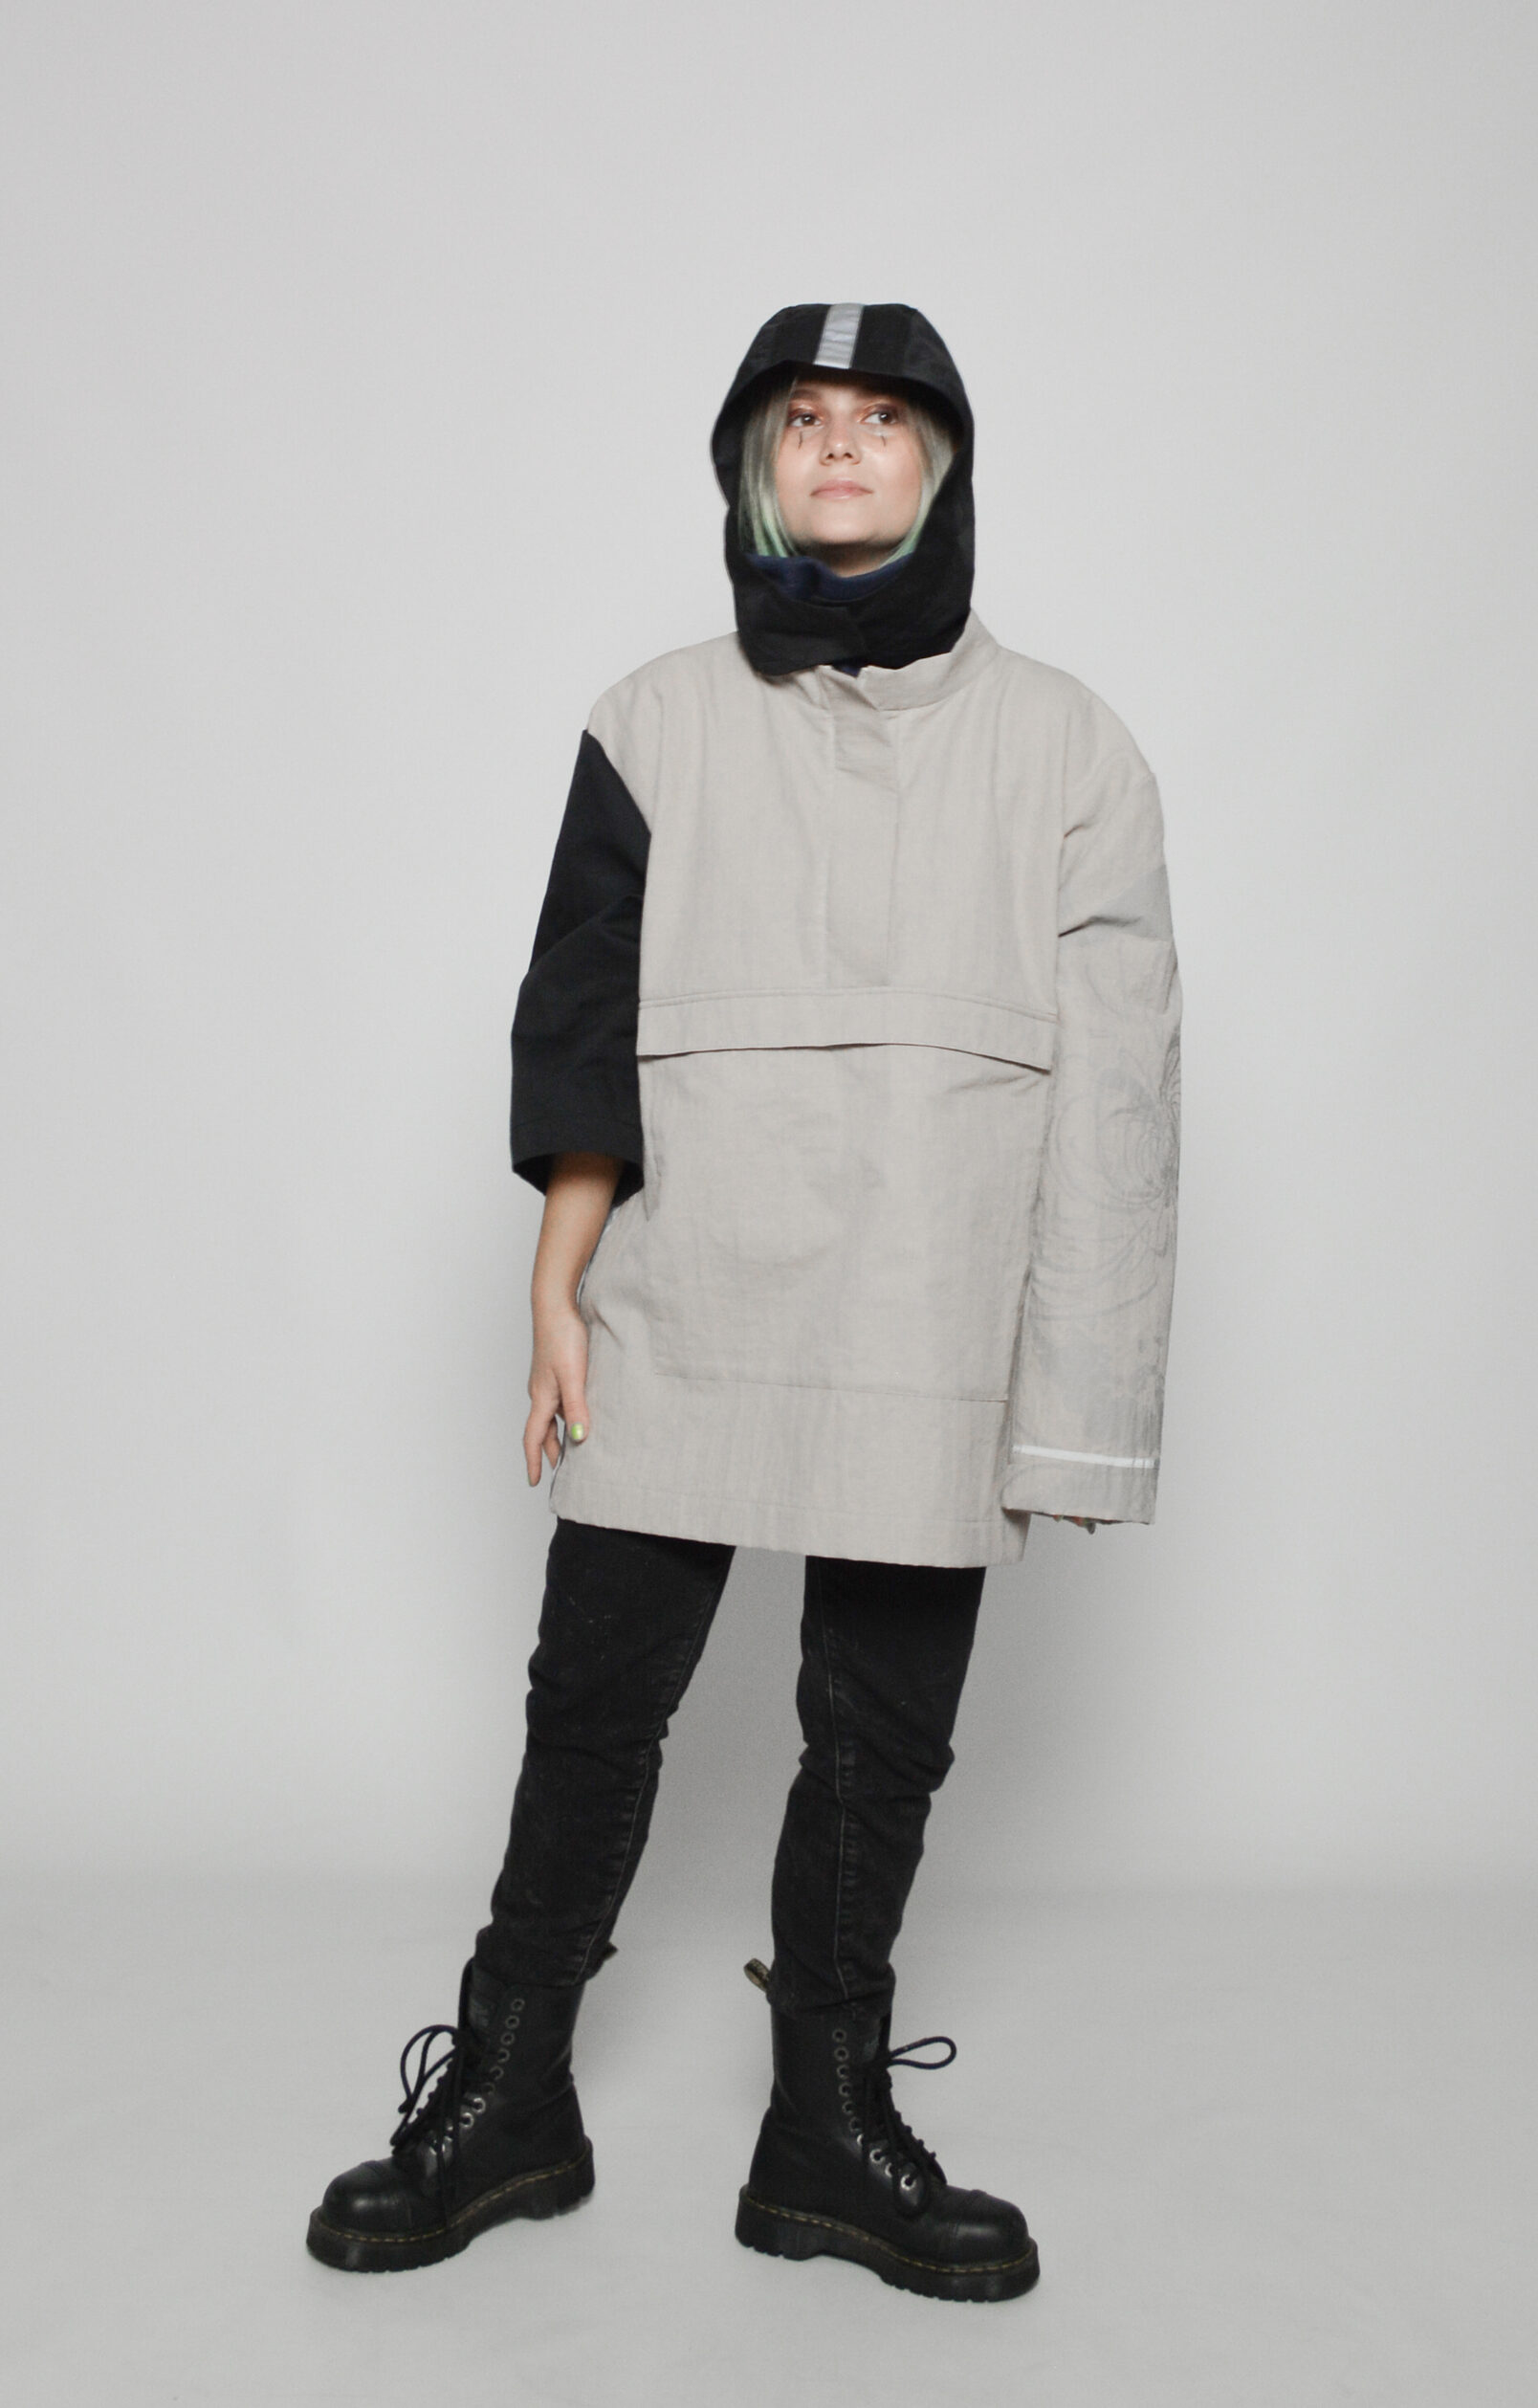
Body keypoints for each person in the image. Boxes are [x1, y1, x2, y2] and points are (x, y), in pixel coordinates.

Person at [305, 303, 1181, 2305]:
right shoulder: (652, 719)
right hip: (688, 1280)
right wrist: (559, 1285)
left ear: (941, 466)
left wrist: (1072, 1406)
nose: (842, 444)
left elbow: (1122, 1106)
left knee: (880, 1739)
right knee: (593, 1706)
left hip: (934, 1299)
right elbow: (583, 1017)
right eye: (803, 419)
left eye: (882, 418)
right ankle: (510, 2093)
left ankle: (825, 2129)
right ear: (752, 470)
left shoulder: (1071, 747)